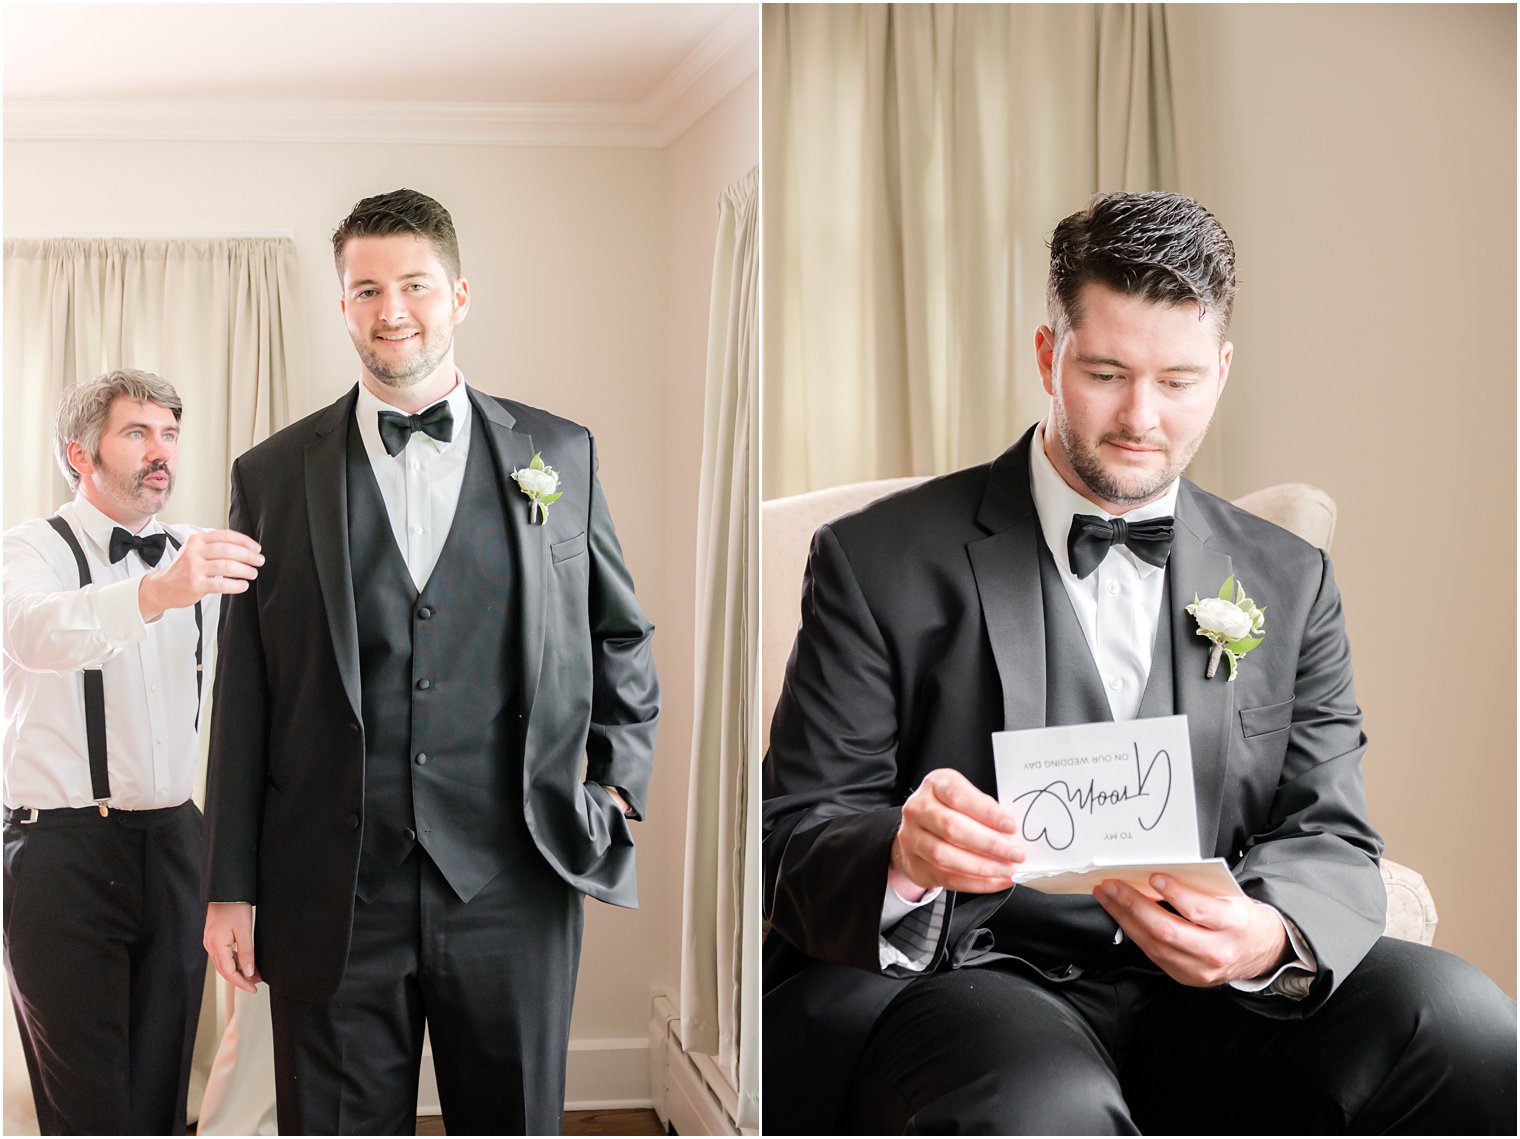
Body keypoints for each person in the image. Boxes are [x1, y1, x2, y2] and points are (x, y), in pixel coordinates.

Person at [761, 191, 1516, 1135]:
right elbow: (796, 827)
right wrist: (905, 858)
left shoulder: (1290, 577)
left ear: (1224, 372)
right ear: (1049, 355)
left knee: (1471, 1028)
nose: (1140, 418)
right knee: (1049, 1109)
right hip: (977, 975)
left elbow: (1331, 825)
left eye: (1179, 380)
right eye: (1107, 372)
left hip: (1214, 993)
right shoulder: (875, 559)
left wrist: (1267, 935)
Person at [201, 188, 659, 1135]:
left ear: (458, 294)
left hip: (514, 882)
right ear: (342, 307)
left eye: (413, 284)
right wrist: (230, 883)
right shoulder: (271, 475)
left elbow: (620, 633)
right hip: (333, 888)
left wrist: (614, 791)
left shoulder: (557, 454)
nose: (391, 310)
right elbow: (245, 690)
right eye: (366, 290)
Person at [3, 369, 263, 1134]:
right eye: (138, 433)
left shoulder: (197, 550)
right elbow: (31, 631)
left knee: (161, 1080)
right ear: (80, 455)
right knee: (86, 1098)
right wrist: (156, 592)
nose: (162, 452)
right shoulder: (27, 549)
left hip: (177, 839)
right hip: (60, 850)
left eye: (171, 434)